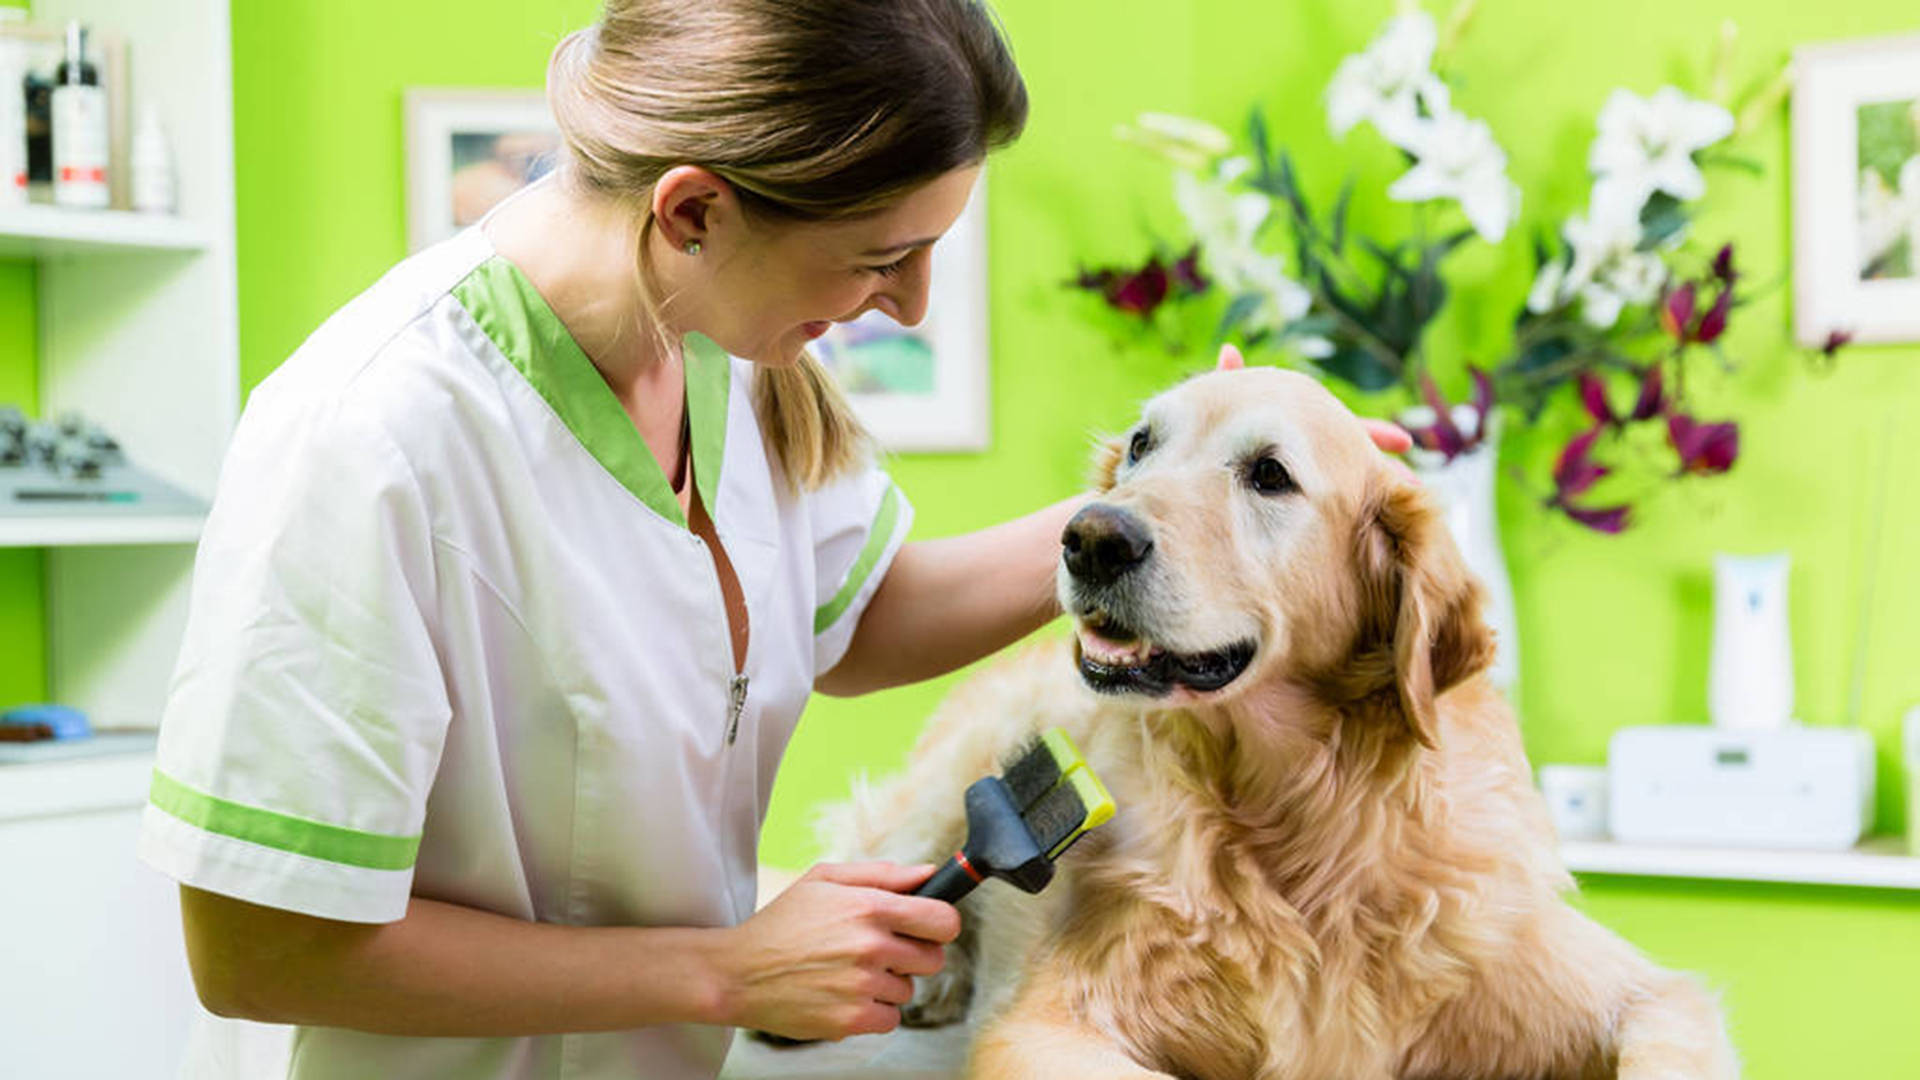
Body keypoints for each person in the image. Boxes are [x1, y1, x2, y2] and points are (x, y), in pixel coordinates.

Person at [136, 2, 1409, 1077]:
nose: (907, 302)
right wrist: (727, 967)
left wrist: (1163, 525)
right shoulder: (370, 439)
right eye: (883, 256)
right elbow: (257, 948)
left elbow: (860, 620)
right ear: (694, 213)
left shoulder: (722, 356)